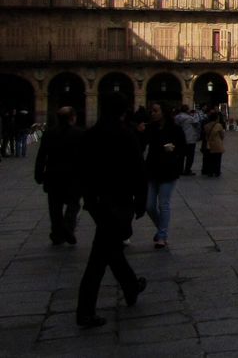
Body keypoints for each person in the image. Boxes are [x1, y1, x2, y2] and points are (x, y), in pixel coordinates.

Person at [76, 93, 147, 328]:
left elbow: (83, 172)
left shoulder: (89, 135)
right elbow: (138, 170)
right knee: (99, 259)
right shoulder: (126, 135)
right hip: (119, 201)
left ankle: (131, 286)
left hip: (98, 203)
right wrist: (141, 200)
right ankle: (85, 312)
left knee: (112, 250)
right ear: (123, 112)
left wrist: (88, 199)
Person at [34, 106, 85, 245]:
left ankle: (57, 234)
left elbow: (41, 156)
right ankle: (68, 227)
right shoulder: (79, 133)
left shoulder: (49, 133)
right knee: (73, 204)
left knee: (54, 207)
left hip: (53, 176)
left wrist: (38, 174)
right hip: (74, 177)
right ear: (72, 118)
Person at [143, 102, 186, 249]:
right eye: (152, 111)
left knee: (163, 204)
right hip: (152, 170)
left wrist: (174, 152)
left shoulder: (175, 129)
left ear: (164, 112)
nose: (152, 113)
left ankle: (162, 235)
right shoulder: (150, 128)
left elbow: (182, 148)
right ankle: (161, 229)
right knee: (149, 206)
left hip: (168, 170)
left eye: (155, 110)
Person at [174, 104, 201, 176]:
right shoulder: (190, 118)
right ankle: (187, 170)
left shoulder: (176, 117)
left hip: (180, 140)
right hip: (190, 139)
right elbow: (197, 125)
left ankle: (179, 170)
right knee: (190, 156)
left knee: (180, 156)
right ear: (186, 110)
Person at [201, 108, 225, 177]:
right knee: (217, 158)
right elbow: (222, 135)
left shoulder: (206, 126)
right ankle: (217, 171)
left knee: (210, 158)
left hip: (209, 144)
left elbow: (204, 134)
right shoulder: (218, 125)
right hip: (217, 143)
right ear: (216, 118)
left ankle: (210, 171)